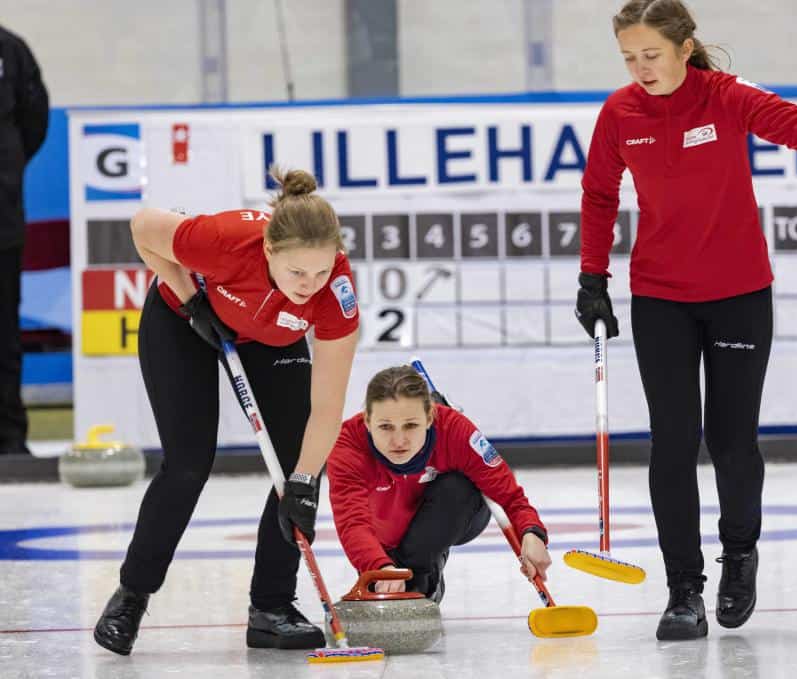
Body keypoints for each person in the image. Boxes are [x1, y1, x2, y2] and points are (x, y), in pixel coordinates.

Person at [574, 0, 797, 642]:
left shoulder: (726, 96)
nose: (641, 68)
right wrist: (592, 279)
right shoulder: (620, 112)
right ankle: (683, 590)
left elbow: (792, 123)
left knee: (732, 442)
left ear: (684, 48)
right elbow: (599, 194)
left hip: (738, 294)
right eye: (629, 57)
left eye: (651, 54)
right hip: (660, 298)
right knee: (672, 444)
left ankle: (739, 555)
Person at [94, 168, 361, 655]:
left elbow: (327, 408)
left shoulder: (334, 294)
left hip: (268, 338)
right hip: (184, 321)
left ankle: (271, 608)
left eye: (321, 272)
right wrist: (192, 300)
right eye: (297, 273)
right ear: (269, 251)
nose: (310, 285)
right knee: (188, 463)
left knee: (296, 464)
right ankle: (131, 595)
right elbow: (143, 227)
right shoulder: (226, 241)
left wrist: (304, 482)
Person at [326, 366, 551, 602]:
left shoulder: (455, 429)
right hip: (384, 534)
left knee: (458, 487)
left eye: (411, 425)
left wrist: (531, 532)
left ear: (430, 417)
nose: (399, 441)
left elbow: (509, 496)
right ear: (367, 421)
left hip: (451, 515)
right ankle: (397, 566)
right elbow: (352, 522)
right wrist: (378, 565)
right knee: (384, 580)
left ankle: (424, 572)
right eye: (385, 427)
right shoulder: (346, 445)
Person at [0, 25, 49, 456]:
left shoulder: (9, 49)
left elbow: (34, 122)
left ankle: (8, 438)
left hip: (2, 219)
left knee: (3, 335)